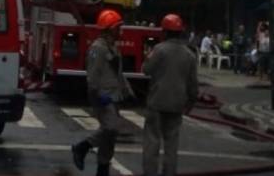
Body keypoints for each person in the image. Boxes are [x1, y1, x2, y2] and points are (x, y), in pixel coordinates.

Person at [72, 9, 133, 175]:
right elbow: (92, 77)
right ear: (109, 29)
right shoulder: (97, 48)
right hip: (102, 97)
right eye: (118, 27)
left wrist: (127, 90)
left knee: (109, 139)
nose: (121, 30)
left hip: (114, 96)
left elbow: (117, 73)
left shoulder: (112, 47)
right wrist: (98, 96)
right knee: (110, 128)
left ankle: (103, 169)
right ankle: (82, 147)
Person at [142, 14, 199, 176]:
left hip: (157, 102)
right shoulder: (190, 55)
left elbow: (146, 69)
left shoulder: (159, 50)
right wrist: (190, 103)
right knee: (171, 146)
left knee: (152, 143)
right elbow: (193, 85)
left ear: (165, 32)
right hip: (176, 105)